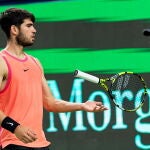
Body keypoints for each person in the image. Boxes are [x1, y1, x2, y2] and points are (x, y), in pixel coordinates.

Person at [0, 8, 108, 150]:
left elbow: (50, 103)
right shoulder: (2, 61)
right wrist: (15, 128)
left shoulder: (35, 62)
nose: (34, 30)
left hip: (41, 144)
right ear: (14, 29)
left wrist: (82, 105)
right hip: (13, 143)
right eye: (28, 25)